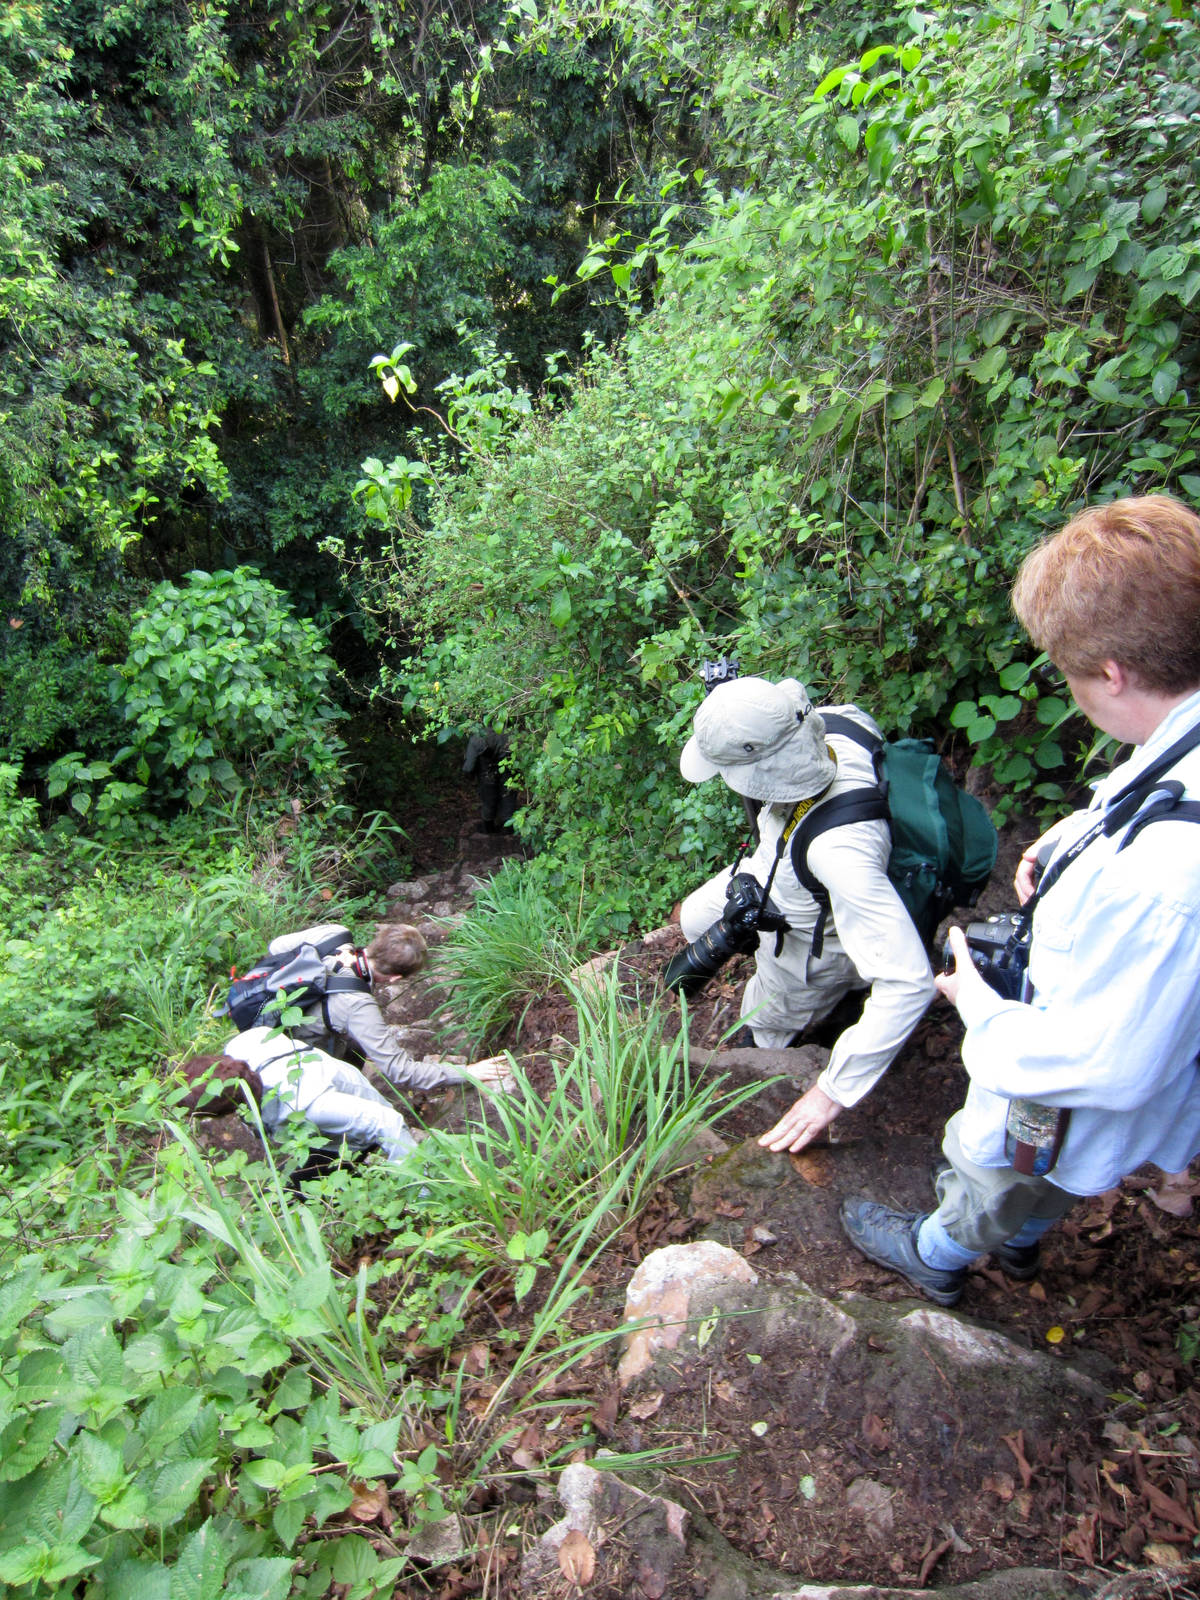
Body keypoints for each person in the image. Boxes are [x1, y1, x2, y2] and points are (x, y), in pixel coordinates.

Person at [841, 494, 1200, 1305]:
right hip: (1121, 1088)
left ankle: (935, 1254)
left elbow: (1103, 1067)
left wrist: (977, 1001)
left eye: (1069, 671)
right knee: (1053, 1178)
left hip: (1065, 1087)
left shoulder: (1163, 881)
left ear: (1113, 674)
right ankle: (1024, 1243)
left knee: (994, 1170)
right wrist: (1081, 828)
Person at [677, 675, 936, 1152]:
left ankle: (827, 1002)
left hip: (817, 934)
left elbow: (909, 981)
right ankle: (770, 967)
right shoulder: (835, 721)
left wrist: (832, 1092)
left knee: (763, 1029)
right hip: (778, 864)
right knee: (694, 919)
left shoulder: (840, 853)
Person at [290, 922, 514, 1096]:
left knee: (355, 1044)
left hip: (277, 1016)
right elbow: (400, 1071)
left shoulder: (334, 935)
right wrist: (467, 1072)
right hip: (296, 1052)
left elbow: (277, 949)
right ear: (396, 978)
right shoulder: (357, 1005)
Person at [177, 1026, 425, 1165]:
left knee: (295, 1190)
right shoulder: (245, 1043)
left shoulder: (307, 1106)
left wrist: (417, 1191)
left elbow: (387, 1121)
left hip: (355, 1138)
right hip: (336, 1078)